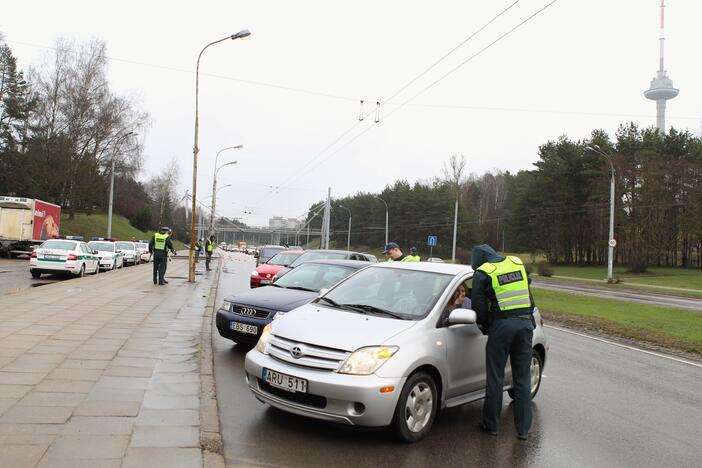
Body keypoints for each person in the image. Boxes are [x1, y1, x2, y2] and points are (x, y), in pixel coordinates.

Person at [471, 244, 535, 440]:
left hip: (502, 326)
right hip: (525, 324)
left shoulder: (483, 272)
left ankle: (491, 425)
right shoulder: (516, 262)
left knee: (495, 377)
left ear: (479, 260)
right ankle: (523, 430)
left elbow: (478, 305)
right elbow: (528, 290)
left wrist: (484, 326)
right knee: (523, 379)